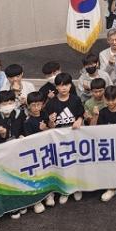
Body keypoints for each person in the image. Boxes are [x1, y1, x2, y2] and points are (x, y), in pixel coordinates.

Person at [45, 72, 84, 204]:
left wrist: (79, 120)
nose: (64, 88)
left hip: (75, 138)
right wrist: (51, 121)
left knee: (76, 163)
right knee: (63, 165)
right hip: (59, 141)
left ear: (70, 85)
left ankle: (77, 188)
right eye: (60, 85)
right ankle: (65, 190)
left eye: (66, 85)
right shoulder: (51, 103)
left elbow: (81, 115)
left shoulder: (75, 100)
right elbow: (50, 126)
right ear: (56, 87)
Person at [0, 91, 27, 219]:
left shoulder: (19, 114)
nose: (8, 106)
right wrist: (2, 135)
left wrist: (22, 135)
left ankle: (22, 202)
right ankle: (12, 207)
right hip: (4, 155)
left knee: (21, 177)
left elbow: (24, 129)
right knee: (9, 180)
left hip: (18, 151)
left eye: (11, 102)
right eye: (5, 103)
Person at [20, 91, 49, 212]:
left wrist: (46, 128)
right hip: (34, 153)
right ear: (28, 105)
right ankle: (37, 201)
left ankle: (49, 195)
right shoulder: (27, 121)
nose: (36, 108)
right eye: (33, 105)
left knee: (47, 173)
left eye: (39, 105)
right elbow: (30, 140)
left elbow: (51, 131)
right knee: (37, 176)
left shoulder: (45, 114)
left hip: (46, 150)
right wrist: (41, 130)